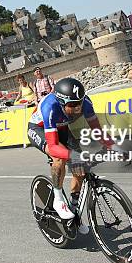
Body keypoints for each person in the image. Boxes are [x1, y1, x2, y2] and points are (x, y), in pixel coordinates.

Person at [27, 78, 113, 225]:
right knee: (59, 158)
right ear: (61, 103)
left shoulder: (85, 103)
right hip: (39, 129)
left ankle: (74, 210)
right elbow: (53, 146)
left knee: (80, 167)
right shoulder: (50, 106)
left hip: (62, 128)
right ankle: (58, 200)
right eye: (72, 105)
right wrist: (74, 155)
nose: (77, 108)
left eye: (79, 103)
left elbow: (98, 131)